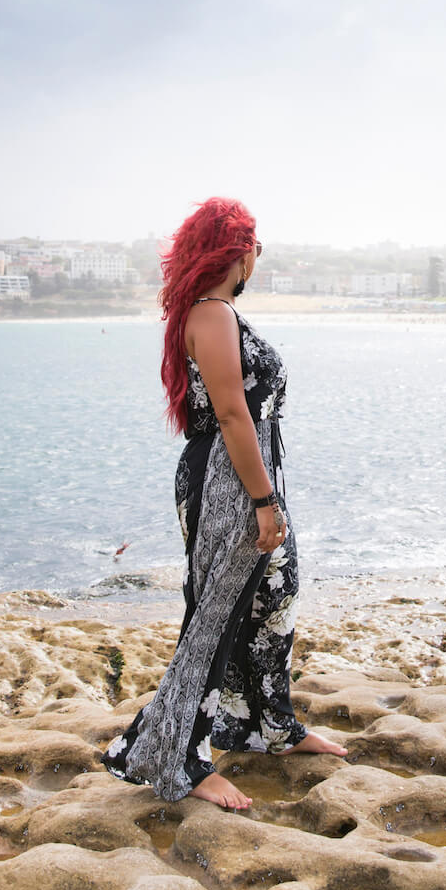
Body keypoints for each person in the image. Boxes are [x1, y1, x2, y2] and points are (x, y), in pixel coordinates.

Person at [102, 197, 346, 809]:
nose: (256, 259)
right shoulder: (212, 314)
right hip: (230, 484)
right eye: (253, 248)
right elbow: (234, 414)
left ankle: (270, 728)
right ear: (236, 252)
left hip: (248, 475)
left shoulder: (219, 313)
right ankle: (178, 757)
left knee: (273, 595)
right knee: (217, 612)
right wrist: (264, 501)